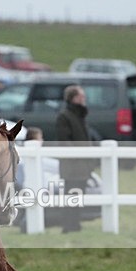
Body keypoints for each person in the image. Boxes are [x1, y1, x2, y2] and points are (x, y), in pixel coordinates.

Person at [55, 85, 95, 232]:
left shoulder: (80, 116)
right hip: (72, 165)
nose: (84, 99)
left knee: (80, 194)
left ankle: (76, 224)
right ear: (73, 98)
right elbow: (64, 141)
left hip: (83, 164)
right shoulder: (64, 116)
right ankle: (68, 225)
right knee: (71, 195)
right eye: (81, 96)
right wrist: (80, 154)